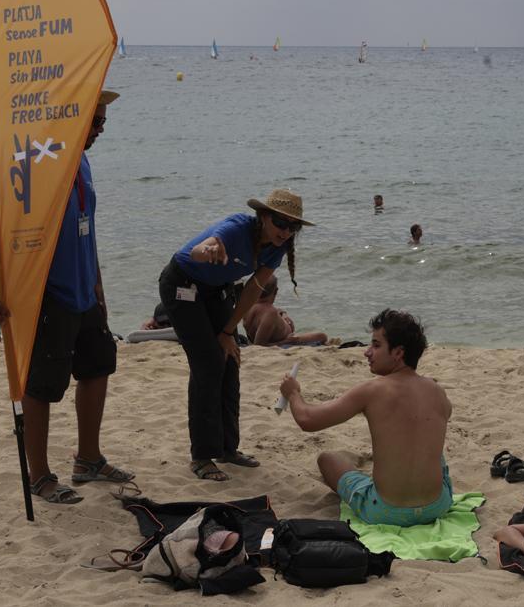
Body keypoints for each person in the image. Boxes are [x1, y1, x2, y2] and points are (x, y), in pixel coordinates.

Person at [0, 89, 134, 505]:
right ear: (74, 118)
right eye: (96, 121)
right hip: (49, 292)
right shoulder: (38, 161)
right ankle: (40, 476)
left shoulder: (81, 161)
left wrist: (99, 284)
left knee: (99, 364)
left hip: (85, 288)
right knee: (42, 385)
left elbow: (87, 225)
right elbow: (2, 224)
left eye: (104, 122)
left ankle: (88, 459)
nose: (101, 129)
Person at [160, 188, 313, 481]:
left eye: (293, 227)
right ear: (264, 217)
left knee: (230, 359)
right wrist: (208, 251)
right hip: (182, 285)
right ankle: (202, 456)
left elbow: (253, 290)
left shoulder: (278, 247)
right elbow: (195, 251)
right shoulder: (236, 229)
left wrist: (229, 331)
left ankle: (228, 449)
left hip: (217, 291)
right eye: (281, 223)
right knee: (207, 363)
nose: (286, 231)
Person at [278, 309, 454, 526]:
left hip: (385, 512)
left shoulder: (373, 390)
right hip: (437, 507)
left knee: (327, 459)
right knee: (433, 449)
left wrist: (293, 393)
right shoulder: (438, 392)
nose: (367, 352)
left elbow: (307, 420)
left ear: (398, 353)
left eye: (376, 345)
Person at [244, 277, 327, 346]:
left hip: (277, 338)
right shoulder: (270, 313)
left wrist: (283, 314)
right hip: (284, 342)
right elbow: (259, 346)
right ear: (276, 291)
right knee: (322, 336)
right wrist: (288, 341)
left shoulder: (248, 305)